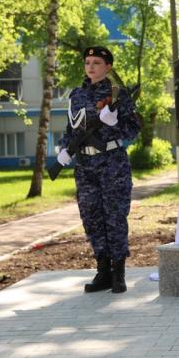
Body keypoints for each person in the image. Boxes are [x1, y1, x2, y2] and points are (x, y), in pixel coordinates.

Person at [57, 47, 140, 294]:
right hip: (84, 167)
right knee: (91, 217)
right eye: (87, 62)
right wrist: (64, 149)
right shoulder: (77, 95)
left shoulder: (118, 95)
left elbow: (133, 130)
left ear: (108, 67)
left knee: (114, 217)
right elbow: (71, 130)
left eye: (96, 62)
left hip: (112, 163)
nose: (90, 67)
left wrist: (114, 124)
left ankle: (118, 272)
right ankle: (102, 270)